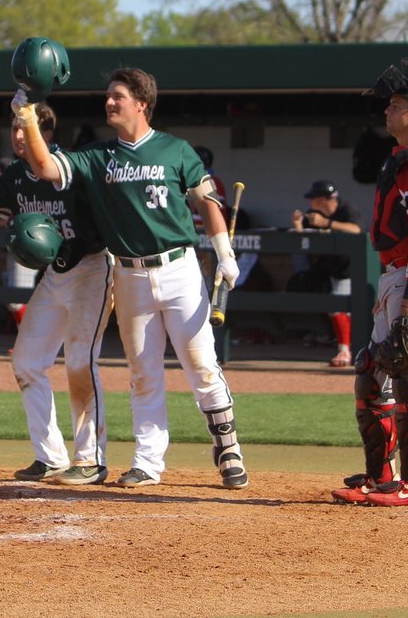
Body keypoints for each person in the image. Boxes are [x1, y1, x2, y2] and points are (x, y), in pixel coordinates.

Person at [14, 66, 249, 490]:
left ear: (141, 103)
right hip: (128, 275)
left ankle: (228, 446)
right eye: (108, 96)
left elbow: (207, 200)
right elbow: (47, 168)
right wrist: (28, 118)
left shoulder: (176, 150)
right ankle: (147, 461)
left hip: (179, 270)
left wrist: (225, 254)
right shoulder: (98, 156)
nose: (108, 102)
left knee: (202, 367)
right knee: (143, 373)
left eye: (117, 96)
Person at [0, 101, 114, 485]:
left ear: (47, 134)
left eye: (27, 129)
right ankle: (51, 456)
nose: (19, 136)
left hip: (92, 267)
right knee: (26, 361)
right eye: (15, 129)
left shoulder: (67, 167)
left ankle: (91, 460)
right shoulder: (15, 176)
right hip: (55, 274)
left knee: (79, 361)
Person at [332, 57, 408, 507]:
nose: (388, 109)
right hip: (397, 276)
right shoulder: (401, 159)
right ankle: (381, 477)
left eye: (398, 103)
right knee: (371, 371)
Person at [291, 179, 362, 367]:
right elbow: (304, 242)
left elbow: (356, 230)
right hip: (330, 268)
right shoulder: (314, 215)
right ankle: (345, 348)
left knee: (342, 308)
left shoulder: (346, 208)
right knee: (337, 307)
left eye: (313, 199)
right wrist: (299, 225)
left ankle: (346, 350)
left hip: (354, 268)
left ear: (323, 199)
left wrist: (327, 223)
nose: (310, 203)